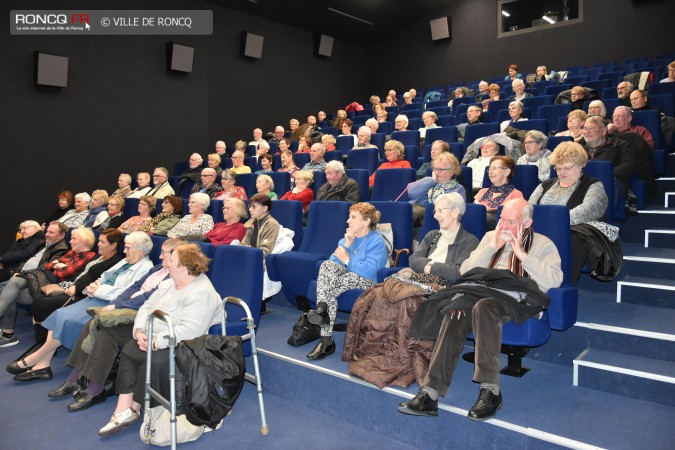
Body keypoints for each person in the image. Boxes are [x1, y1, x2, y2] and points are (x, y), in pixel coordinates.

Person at [399, 198, 562, 421]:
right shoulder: (489, 238)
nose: (504, 226)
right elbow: (465, 271)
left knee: (485, 307)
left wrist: (523, 255)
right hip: (479, 292)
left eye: (511, 222)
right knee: (455, 310)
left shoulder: (543, 244)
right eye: (502, 220)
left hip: (515, 298)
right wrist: (492, 247)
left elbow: (554, 280)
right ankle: (430, 393)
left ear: (527, 222)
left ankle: (490, 391)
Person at [343, 193, 479, 389]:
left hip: (440, 287)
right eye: (435, 210)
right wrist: (430, 265)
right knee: (377, 293)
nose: (435, 215)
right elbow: (413, 261)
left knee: (407, 301)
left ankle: (399, 359)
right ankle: (376, 354)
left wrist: (429, 266)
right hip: (416, 280)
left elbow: (457, 272)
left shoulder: (469, 241)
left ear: (456, 211)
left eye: (441, 210)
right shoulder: (432, 236)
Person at [97, 243, 221, 437]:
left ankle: (134, 408)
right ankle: (123, 409)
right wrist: (139, 331)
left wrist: (156, 342)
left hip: (186, 344)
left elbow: (190, 330)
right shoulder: (169, 283)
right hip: (156, 335)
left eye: (171, 261)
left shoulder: (202, 292)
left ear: (184, 266)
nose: (166, 264)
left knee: (154, 358)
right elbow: (146, 307)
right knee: (131, 347)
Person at [47, 238, 183, 411]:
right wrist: (116, 303)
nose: (160, 255)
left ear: (175, 256)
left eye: (164, 252)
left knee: (106, 333)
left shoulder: (174, 275)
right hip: (127, 308)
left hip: (141, 314)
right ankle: (75, 378)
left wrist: (119, 305)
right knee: (92, 323)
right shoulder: (158, 268)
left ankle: (94, 389)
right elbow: (135, 286)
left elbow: (148, 298)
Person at [9, 231, 153, 381]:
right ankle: (43, 364)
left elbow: (127, 293)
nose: (124, 251)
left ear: (140, 250)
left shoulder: (145, 268)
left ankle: (36, 358)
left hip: (108, 304)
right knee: (60, 314)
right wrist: (93, 286)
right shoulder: (126, 261)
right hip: (95, 296)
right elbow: (104, 276)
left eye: (128, 248)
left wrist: (99, 289)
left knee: (69, 320)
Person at [306, 202, 388, 360]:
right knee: (326, 265)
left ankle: (325, 337)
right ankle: (323, 313)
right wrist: (347, 245)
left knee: (344, 279)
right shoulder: (347, 239)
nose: (347, 221)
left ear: (366, 221)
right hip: (347, 276)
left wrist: (347, 259)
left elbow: (369, 271)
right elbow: (332, 264)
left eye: (353, 217)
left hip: (369, 282)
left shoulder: (376, 241)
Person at [529, 142, 610, 283]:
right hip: (543, 227)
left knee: (573, 239)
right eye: (558, 168)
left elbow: (587, 211)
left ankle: (563, 284)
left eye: (566, 168)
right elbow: (529, 207)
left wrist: (553, 225)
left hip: (578, 231)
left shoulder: (593, 185)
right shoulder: (545, 185)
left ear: (580, 165)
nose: (561, 172)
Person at [28, 228, 126, 343]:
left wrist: (76, 288)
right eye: (99, 240)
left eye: (102, 242)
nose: (98, 244)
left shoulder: (116, 261)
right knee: (39, 298)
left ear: (113, 245)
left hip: (83, 295)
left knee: (42, 303)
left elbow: (98, 281)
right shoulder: (98, 257)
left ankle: (43, 341)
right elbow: (82, 274)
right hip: (73, 287)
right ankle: (44, 338)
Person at [0, 221, 68, 347]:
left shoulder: (61, 249)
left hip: (37, 285)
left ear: (62, 235)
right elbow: (27, 261)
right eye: (47, 231)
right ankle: (8, 333)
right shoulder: (44, 244)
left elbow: (45, 270)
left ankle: (8, 335)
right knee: (5, 290)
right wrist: (17, 271)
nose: (47, 234)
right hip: (25, 279)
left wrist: (22, 274)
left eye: (51, 232)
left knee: (12, 284)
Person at [408, 152, 466, 242]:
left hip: (437, 223)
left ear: (452, 171)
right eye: (435, 169)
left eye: (441, 169)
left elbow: (457, 212)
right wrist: (432, 180)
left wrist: (427, 207)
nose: (437, 172)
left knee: (419, 231)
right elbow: (411, 193)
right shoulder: (428, 181)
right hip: (415, 219)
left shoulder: (458, 189)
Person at [582, 116, 636, 204]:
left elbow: (628, 165)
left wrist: (606, 174)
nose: (587, 132)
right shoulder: (578, 149)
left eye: (592, 128)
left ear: (603, 131)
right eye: (585, 128)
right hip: (585, 183)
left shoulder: (619, 145)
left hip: (610, 182)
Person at [474, 156, 524, 230]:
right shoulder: (482, 191)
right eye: (489, 169)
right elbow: (473, 212)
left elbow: (514, 220)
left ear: (506, 172)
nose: (490, 172)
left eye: (494, 168)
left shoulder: (516, 194)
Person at [242, 193, 280, 258]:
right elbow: (243, 244)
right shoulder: (251, 222)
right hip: (247, 257)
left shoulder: (271, 224)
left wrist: (248, 251)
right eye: (250, 206)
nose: (250, 209)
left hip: (258, 262)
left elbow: (265, 252)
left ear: (265, 208)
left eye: (254, 206)